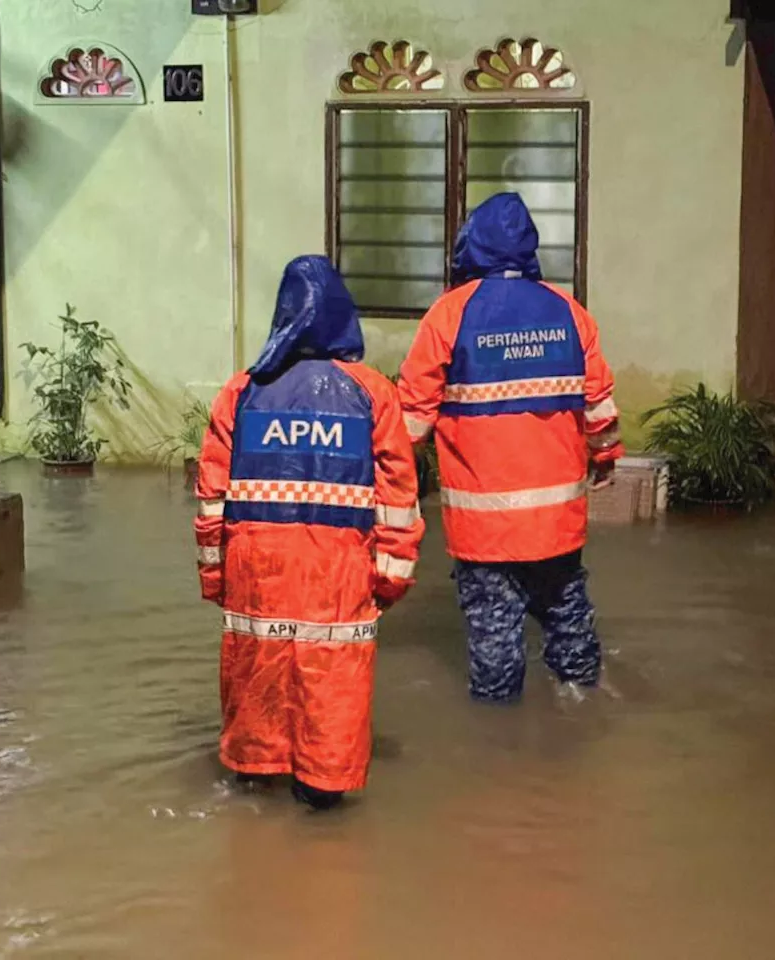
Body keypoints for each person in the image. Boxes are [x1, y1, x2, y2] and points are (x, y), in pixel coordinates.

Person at [195, 255, 424, 810]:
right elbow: (399, 501)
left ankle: (255, 779)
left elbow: (210, 501)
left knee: (256, 686)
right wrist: (389, 580)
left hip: (257, 575)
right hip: (338, 579)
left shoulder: (240, 393)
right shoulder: (373, 395)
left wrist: (215, 576)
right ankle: (321, 797)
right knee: (333, 688)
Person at [397, 192, 623, 703]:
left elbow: (408, 423)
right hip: (557, 523)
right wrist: (605, 460)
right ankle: (581, 717)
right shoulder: (570, 313)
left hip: (484, 529)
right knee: (570, 625)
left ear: (470, 246)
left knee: (496, 650)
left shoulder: (448, 317)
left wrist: (392, 485)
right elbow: (600, 409)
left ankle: (500, 754)